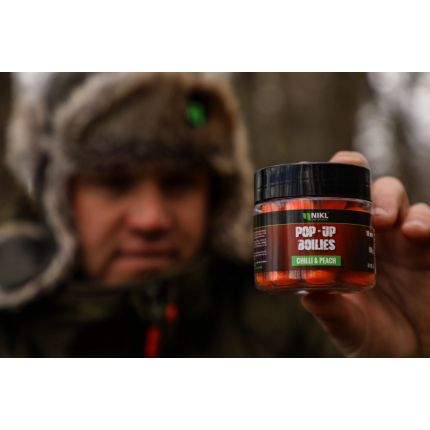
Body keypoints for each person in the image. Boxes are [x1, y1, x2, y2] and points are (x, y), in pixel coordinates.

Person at [0, 72, 428, 357]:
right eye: (114, 183)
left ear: (216, 196)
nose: (151, 220)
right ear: (57, 200)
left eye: (179, 183)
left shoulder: (304, 320)